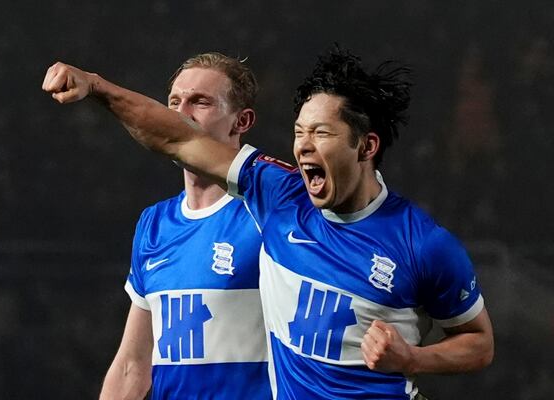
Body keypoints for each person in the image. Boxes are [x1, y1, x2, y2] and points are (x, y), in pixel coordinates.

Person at [43, 47, 494, 399]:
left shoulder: (423, 244)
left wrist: (412, 357)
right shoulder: (279, 197)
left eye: (320, 133)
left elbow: (477, 342)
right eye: (299, 132)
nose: (302, 146)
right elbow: (176, 136)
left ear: (366, 145)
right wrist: (97, 86)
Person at [94, 53, 271, 399]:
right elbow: (133, 364)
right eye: (174, 102)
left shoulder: (268, 213)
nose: (179, 115)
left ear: (242, 121)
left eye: (199, 102)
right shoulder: (155, 223)